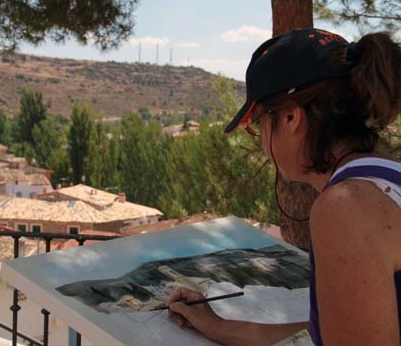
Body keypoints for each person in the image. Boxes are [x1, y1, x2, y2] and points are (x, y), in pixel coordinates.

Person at [167, 28, 401, 346]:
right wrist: (217, 326)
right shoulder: (387, 177)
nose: (263, 139)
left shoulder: (345, 207)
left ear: (291, 118)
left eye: (259, 124)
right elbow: (341, 330)